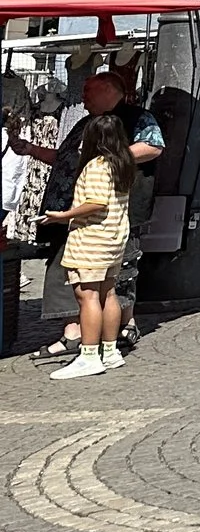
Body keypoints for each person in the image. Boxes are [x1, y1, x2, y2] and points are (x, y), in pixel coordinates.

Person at [28, 65, 161, 366]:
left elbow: (154, 146)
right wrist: (32, 150)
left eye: (89, 90)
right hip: (71, 214)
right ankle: (75, 332)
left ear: (108, 91)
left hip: (106, 217)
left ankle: (117, 333)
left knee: (115, 278)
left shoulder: (135, 118)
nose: (83, 96)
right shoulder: (86, 123)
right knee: (69, 275)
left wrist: (109, 159)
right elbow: (65, 158)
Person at [41, 107, 135, 380]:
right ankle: (111, 350)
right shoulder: (123, 163)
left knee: (88, 296)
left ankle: (90, 355)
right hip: (114, 237)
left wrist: (63, 216)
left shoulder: (96, 166)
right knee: (108, 293)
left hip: (92, 239)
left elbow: (95, 202)